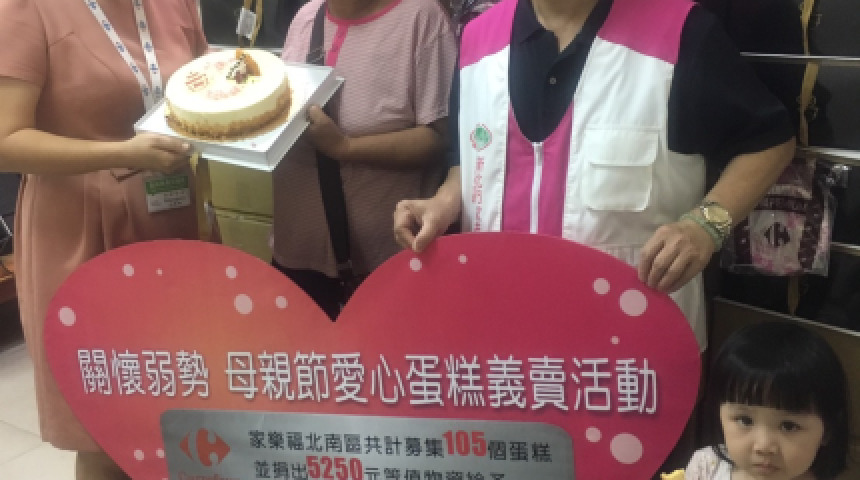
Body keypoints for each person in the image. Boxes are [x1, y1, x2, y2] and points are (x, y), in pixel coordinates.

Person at [393, 0, 796, 351]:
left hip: (637, 352)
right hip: (501, 341)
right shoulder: (477, 39)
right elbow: (471, 156)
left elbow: (769, 141)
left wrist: (705, 226)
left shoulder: (680, 33)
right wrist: (443, 202)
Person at [0, 0, 208, 478]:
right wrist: (121, 152)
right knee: (106, 423)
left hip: (173, 222)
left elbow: (204, 85)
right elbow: (6, 140)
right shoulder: (28, 9)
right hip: (82, 228)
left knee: (182, 403)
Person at [272, 0, 457, 319]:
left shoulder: (422, 19)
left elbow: (439, 139)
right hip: (295, 253)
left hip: (385, 261)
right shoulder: (306, 17)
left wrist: (345, 147)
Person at [686, 321, 849, 479]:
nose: (763, 446)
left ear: (828, 430)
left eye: (789, 426)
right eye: (745, 420)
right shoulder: (706, 467)